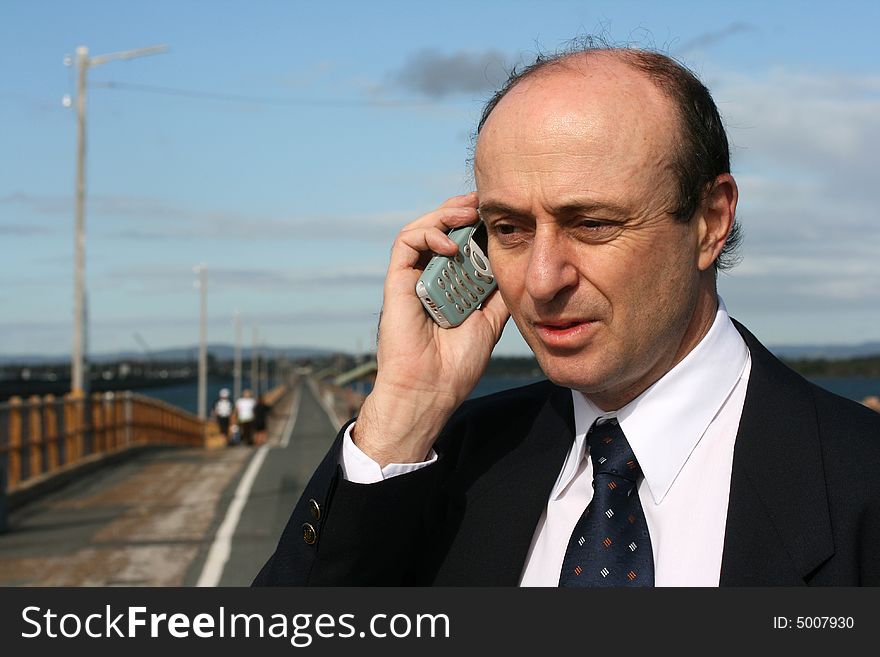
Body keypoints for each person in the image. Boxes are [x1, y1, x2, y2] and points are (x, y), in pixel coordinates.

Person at [254, 45, 880, 587]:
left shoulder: (858, 480)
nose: (542, 278)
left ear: (710, 221)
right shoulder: (442, 466)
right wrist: (403, 409)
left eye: (593, 224)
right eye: (509, 229)